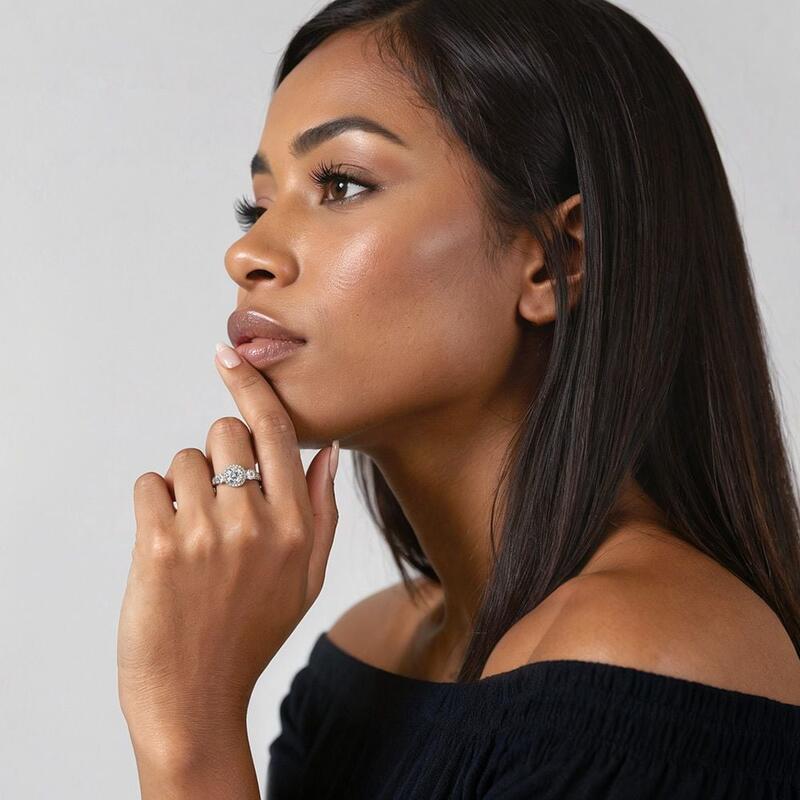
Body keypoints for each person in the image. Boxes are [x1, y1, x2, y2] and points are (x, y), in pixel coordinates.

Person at [118, 0, 800, 797]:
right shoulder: (364, 662)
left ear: (555, 258)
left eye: (341, 183)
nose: (247, 253)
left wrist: (189, 731)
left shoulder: (646, 653)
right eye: (259, 205)